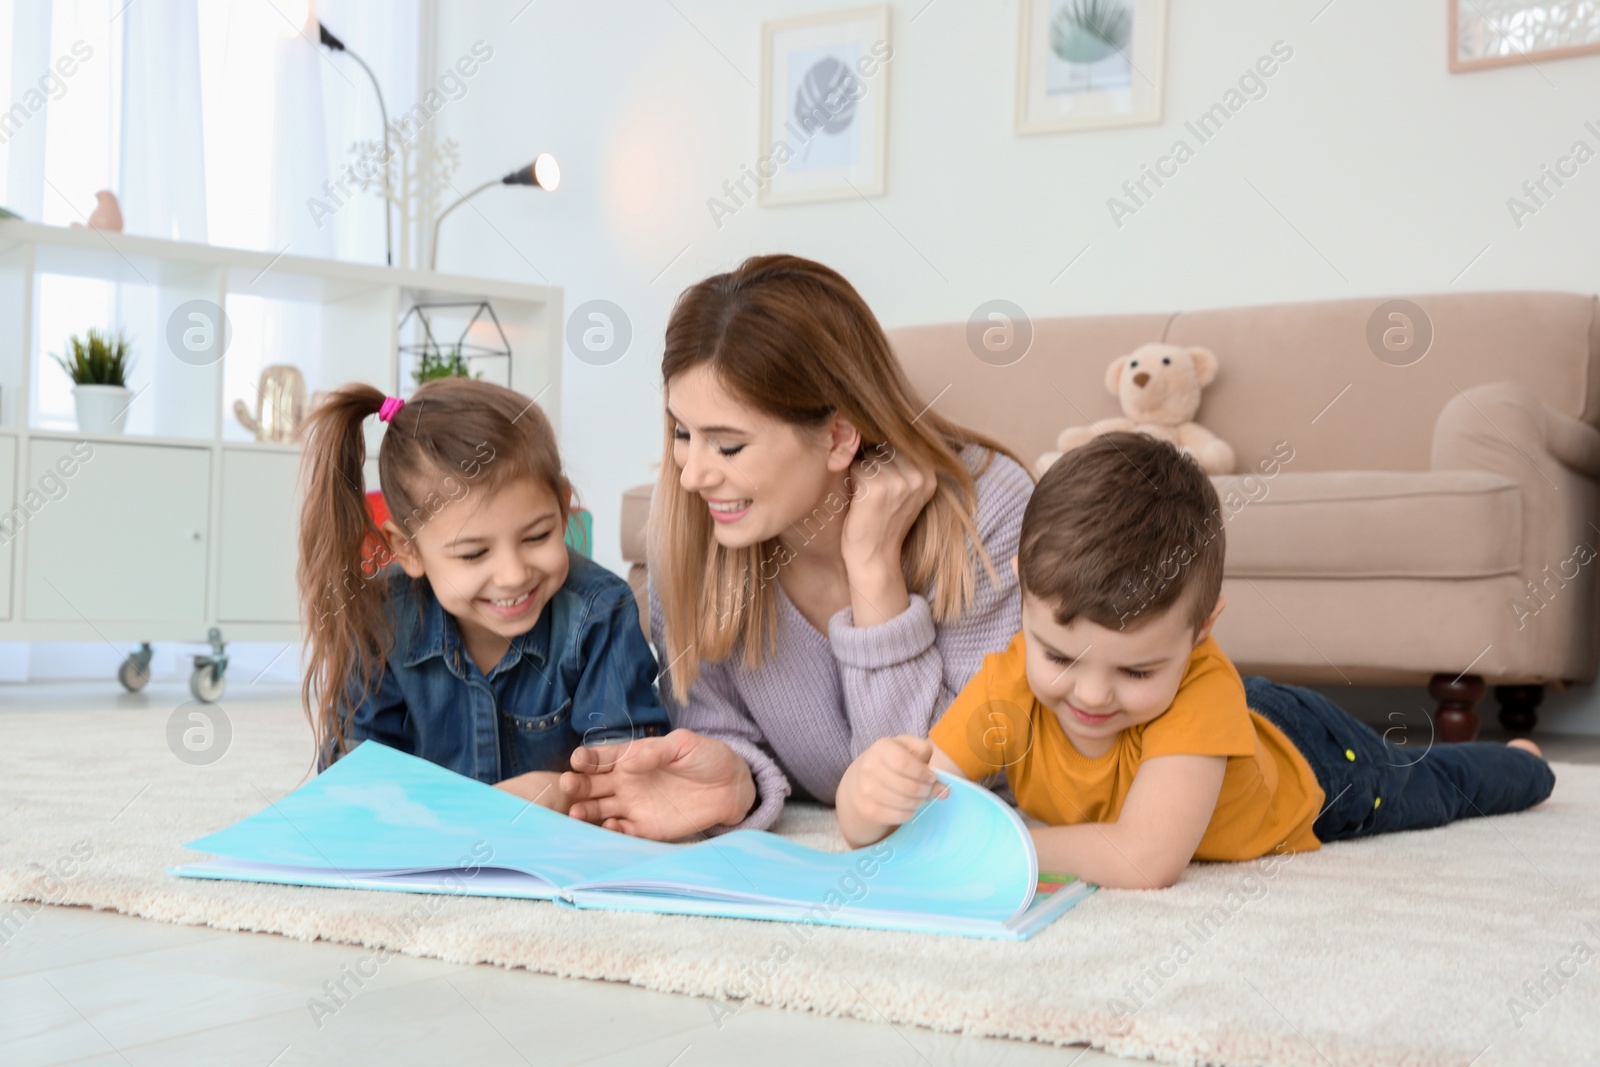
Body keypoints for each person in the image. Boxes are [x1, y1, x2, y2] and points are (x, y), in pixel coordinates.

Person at [834, 432, 1555, 888]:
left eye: (1135, 669)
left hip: (1318, 765)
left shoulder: (1198, 688)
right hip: (1231, 716)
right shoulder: (1013, 681)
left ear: (1202, 629)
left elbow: (1145, 860)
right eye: (1060, 654)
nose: (1090, 693)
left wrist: (1001, 838)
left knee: (1430, 783)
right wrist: (868, 798)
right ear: (1023, 584)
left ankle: (1520, 758)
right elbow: (900, 815)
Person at [559, 254, 1036, 838]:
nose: (692, 475)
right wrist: (736, 779)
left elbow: (940, 786)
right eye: (684, 433)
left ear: (838, 437)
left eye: (729, 446)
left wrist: (874, 572)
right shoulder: (690, 523)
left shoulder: (990, 511)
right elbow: (716, 726)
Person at [297, 378, 669, 810]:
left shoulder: (599, 610)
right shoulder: (379, 620)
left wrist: (562, 793)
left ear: (564, 506)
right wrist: (470, 806)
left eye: (537, 536)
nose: (513, 576)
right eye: (474, 554)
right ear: (408, 550)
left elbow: (635, 771)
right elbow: (350, 781)